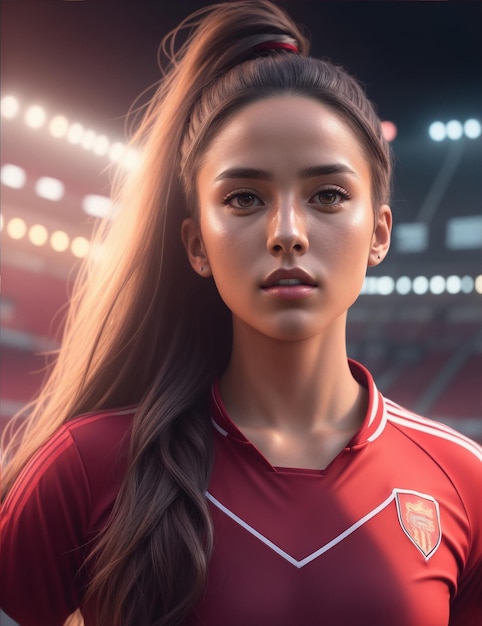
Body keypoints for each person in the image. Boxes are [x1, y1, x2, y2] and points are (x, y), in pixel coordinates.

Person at [1, 1, 481, 625]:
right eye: (245, 197)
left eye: (328, 195)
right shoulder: (84, 466)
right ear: (197, 243)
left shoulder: (464, 482)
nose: (287, 233)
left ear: (379, 234)